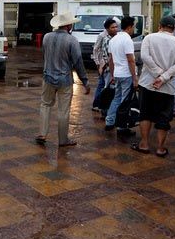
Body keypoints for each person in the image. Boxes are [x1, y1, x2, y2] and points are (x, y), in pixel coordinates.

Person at [131, 16, 175, 157]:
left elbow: (144, 57)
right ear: (174, 28)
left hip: (147, 83)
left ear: (160, 25)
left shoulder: (149, 38)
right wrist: (164, 77)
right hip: (167, 87)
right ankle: (161, 148)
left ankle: (144, 144)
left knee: (145, 113)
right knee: (164, 117)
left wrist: (158, 74)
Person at [36, 11, 91, 147]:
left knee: (45, 104)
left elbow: (45, 56)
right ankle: (63, 140)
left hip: (48, 77)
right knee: (63, 110)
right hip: (64, 80)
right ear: (68, 26)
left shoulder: (46, 37)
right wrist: (85, 81)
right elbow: (78, 62)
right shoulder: (72, 40)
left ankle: (42, 134)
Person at [105, 16, 138, 133]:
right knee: (125, 101)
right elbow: (131, 60)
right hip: (126, 74)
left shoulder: (113, 39)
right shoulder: (127, 40)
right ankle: (122, 126)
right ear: (129, 27)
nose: (134, 29)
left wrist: (113, 75)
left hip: (118, 74)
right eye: (134, 26)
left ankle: (109, 121)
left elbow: (111, 60)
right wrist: (135, 78)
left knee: (116, 98)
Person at [91, 17, 119, 112]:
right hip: (106, 66)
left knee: (104, 86)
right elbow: (97, 50)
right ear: (107, 28)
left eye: (116, 27)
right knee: (104, 87)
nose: (115, 29)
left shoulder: (115, 37)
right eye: (113, 27)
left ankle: (102, 107)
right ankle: (101, 107)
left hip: (107, 66)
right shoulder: (104, 37)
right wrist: (98, 64)